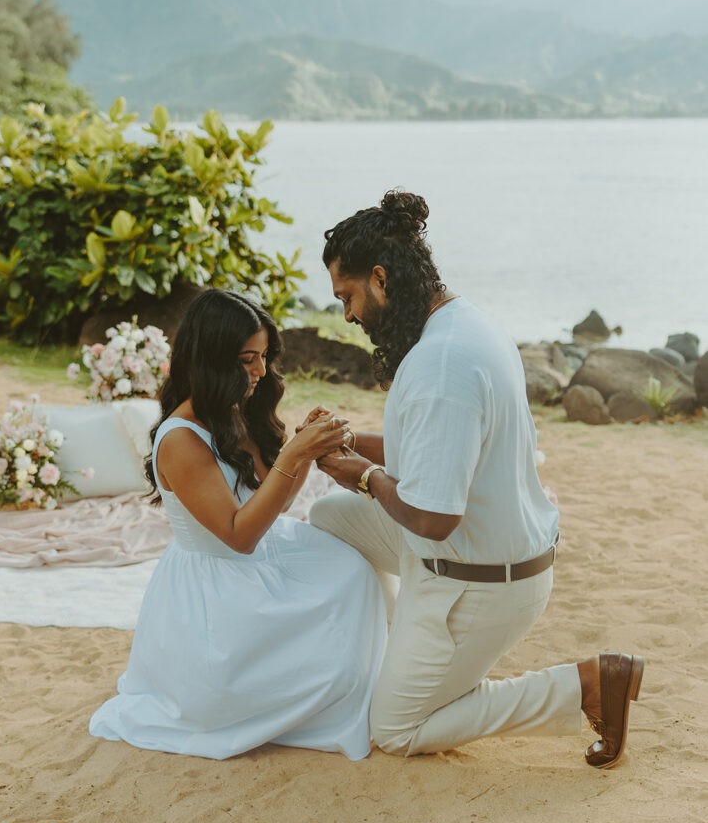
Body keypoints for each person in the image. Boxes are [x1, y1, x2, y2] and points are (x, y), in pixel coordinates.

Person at [311, 189, 644, 768]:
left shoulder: (441, 365)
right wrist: (346, 443)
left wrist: (364, 475)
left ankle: (583, 685)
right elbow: (443, 451)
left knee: (394, 728)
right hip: (489, 552)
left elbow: (436, 520)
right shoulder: (466, 324)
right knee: (326, 518)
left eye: (348, 296)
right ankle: (391, 644)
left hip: (478, 581)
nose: (348, 315)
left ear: (381, 279)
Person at [89, 289, 386, 761]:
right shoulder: (182, 439)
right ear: (211, 358)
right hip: (217, 582)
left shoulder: (232, 413)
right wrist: (294, 453)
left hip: (263, 552)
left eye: (264, 356)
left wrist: (302, 452)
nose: (261, 371)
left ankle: (352, 688)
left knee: (352, 573)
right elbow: (239, 534)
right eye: (249, 358)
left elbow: (274, 506)